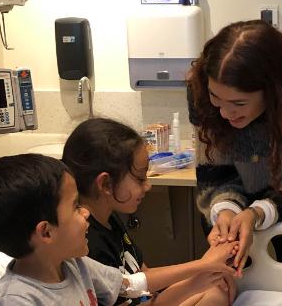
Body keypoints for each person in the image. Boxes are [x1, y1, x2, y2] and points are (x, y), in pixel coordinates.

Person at [186, 20, 282, 276]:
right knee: (234, 284)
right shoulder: (200, 88)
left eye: (238, 103)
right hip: (231, 212)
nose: (224, 113)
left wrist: (258, 212)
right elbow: (215, 173)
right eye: (216, 99)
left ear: (273, 91)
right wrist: (225, 211)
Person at [61, 117, 238, 306]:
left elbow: (144, 281)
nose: (148, 186)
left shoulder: (108, 218)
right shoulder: (87, 244)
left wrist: (205, 270)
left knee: (220, 287)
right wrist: (201, 271)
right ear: (105, 184)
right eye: (139, 179)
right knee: (216, 292)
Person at [0, 154, 148, 305]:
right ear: (46, 232)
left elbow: (129, 285)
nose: (85, 212)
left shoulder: (73, 264)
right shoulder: (18, 300)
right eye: (76, 206)